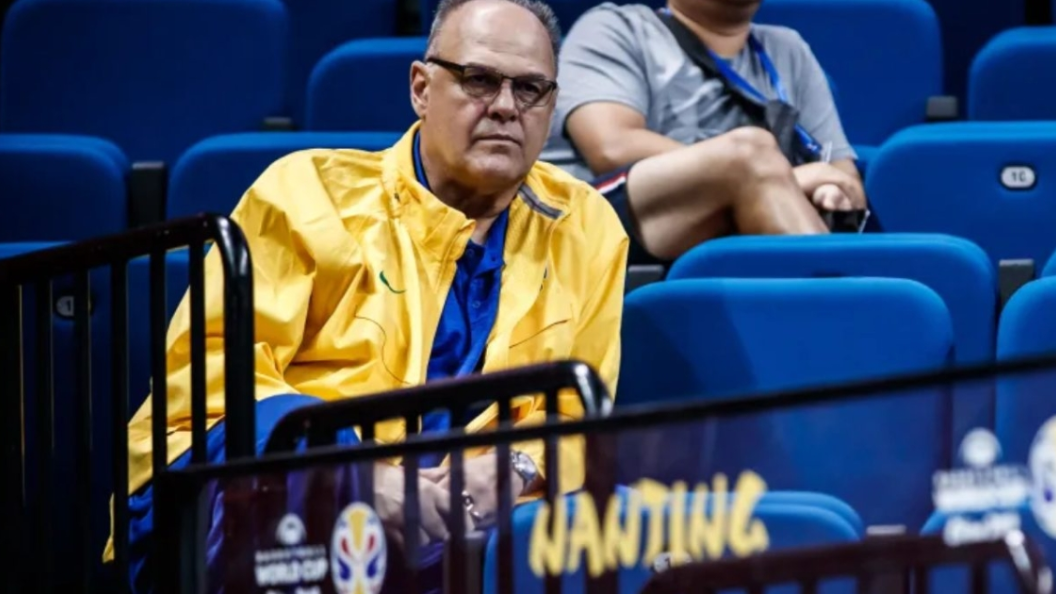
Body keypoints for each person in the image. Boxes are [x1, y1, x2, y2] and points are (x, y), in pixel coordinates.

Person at [104, 0, 629, 591]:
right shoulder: (307, 194)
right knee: (305, 461)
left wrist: (515, 467)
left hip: (461, 521)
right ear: (421, 89)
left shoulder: (585, 226)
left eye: (530, 88)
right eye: (479, 79)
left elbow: (577, 411)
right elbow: (216, 382)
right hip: (260, 492)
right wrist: (355, 477)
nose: (506, 106)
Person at [541, 0, 867, 264]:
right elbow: (612, 148)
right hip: (597, 218)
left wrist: (831, 190)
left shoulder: (788, 49)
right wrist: (769, 173)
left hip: (740, 218)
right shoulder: (614, 28)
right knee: (749, 152)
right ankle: (842, 311)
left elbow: (843, 175)